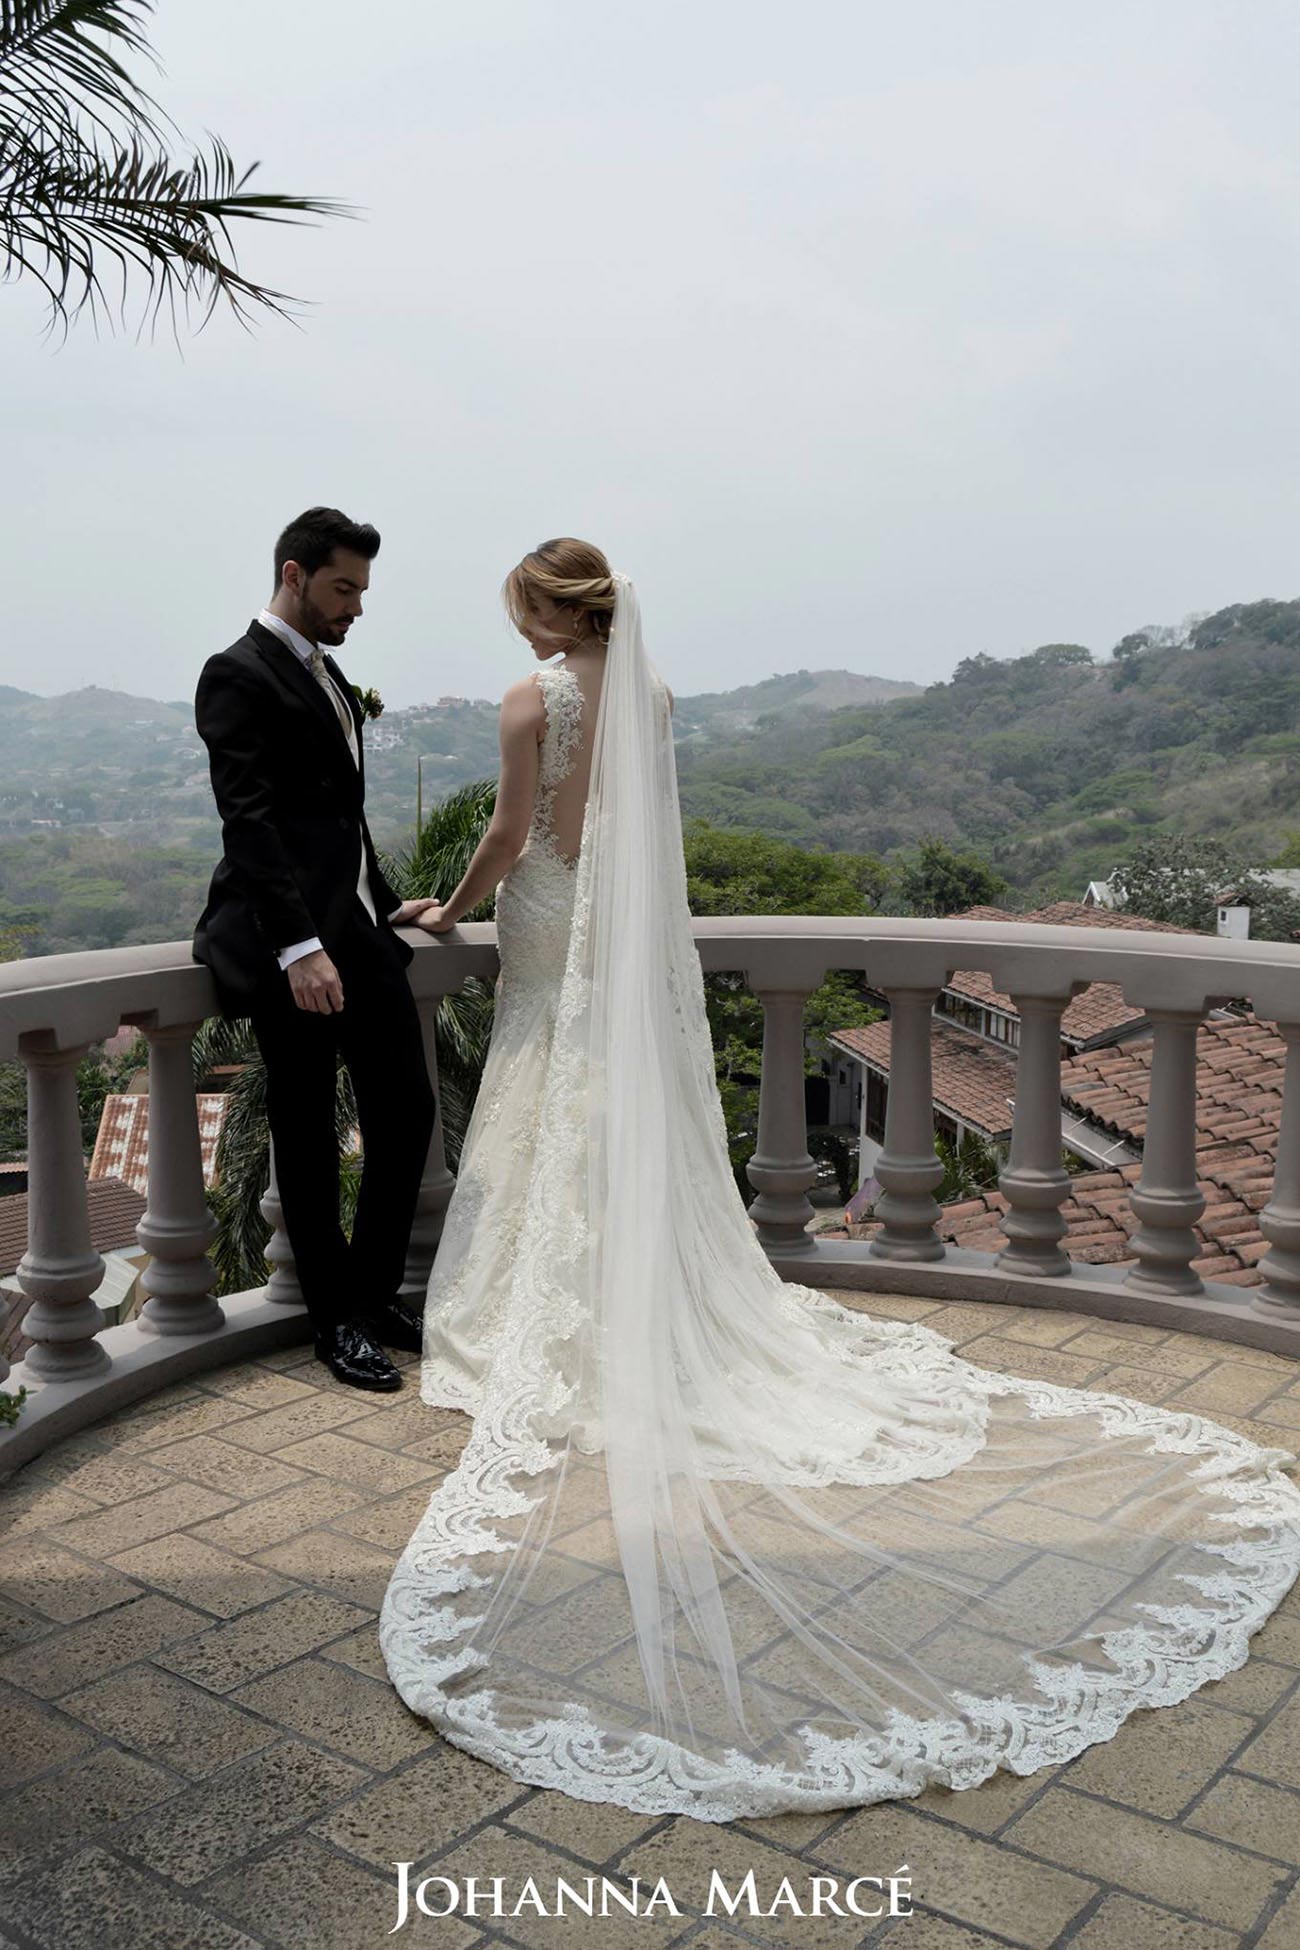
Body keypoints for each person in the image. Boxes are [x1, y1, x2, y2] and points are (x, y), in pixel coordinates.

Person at [379, 539, 1300, 1824]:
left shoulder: (532, 697)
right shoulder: (642, 693)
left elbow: (522, 827)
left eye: (519, 607)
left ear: (543, 608)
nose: (517, 626)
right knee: (599, 1096)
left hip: (542, 909)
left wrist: (449, 905)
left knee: (546, 1083)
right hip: (617, 925)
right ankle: (622, 1283)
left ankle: (540, 1297)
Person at [193, 506, 437, 1392]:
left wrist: (379, 895)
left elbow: (337, 813)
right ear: (294, 575)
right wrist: (298, 946)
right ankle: (335, 1323)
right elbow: (250, 820)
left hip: (358, 930)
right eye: (344, 588)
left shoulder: (327, 672)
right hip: (284, 946)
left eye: (362, 591)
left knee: (406, 1113)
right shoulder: (235, 673)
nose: (357, 608)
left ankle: (372, 1297)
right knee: (303, 1130)